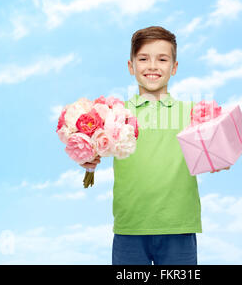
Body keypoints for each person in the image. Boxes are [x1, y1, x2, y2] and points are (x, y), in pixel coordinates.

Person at [81, 26, 230, 265]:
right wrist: (88, 162)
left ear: (174, 67)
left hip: (178, 227)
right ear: (131, 66)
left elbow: (217, 153)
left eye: (162, 59)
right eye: (143, 58)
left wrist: (220, 158)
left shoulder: (192, 113)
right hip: (130, 228)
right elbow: (93, 151)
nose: (152, 66)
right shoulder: (115, 114)